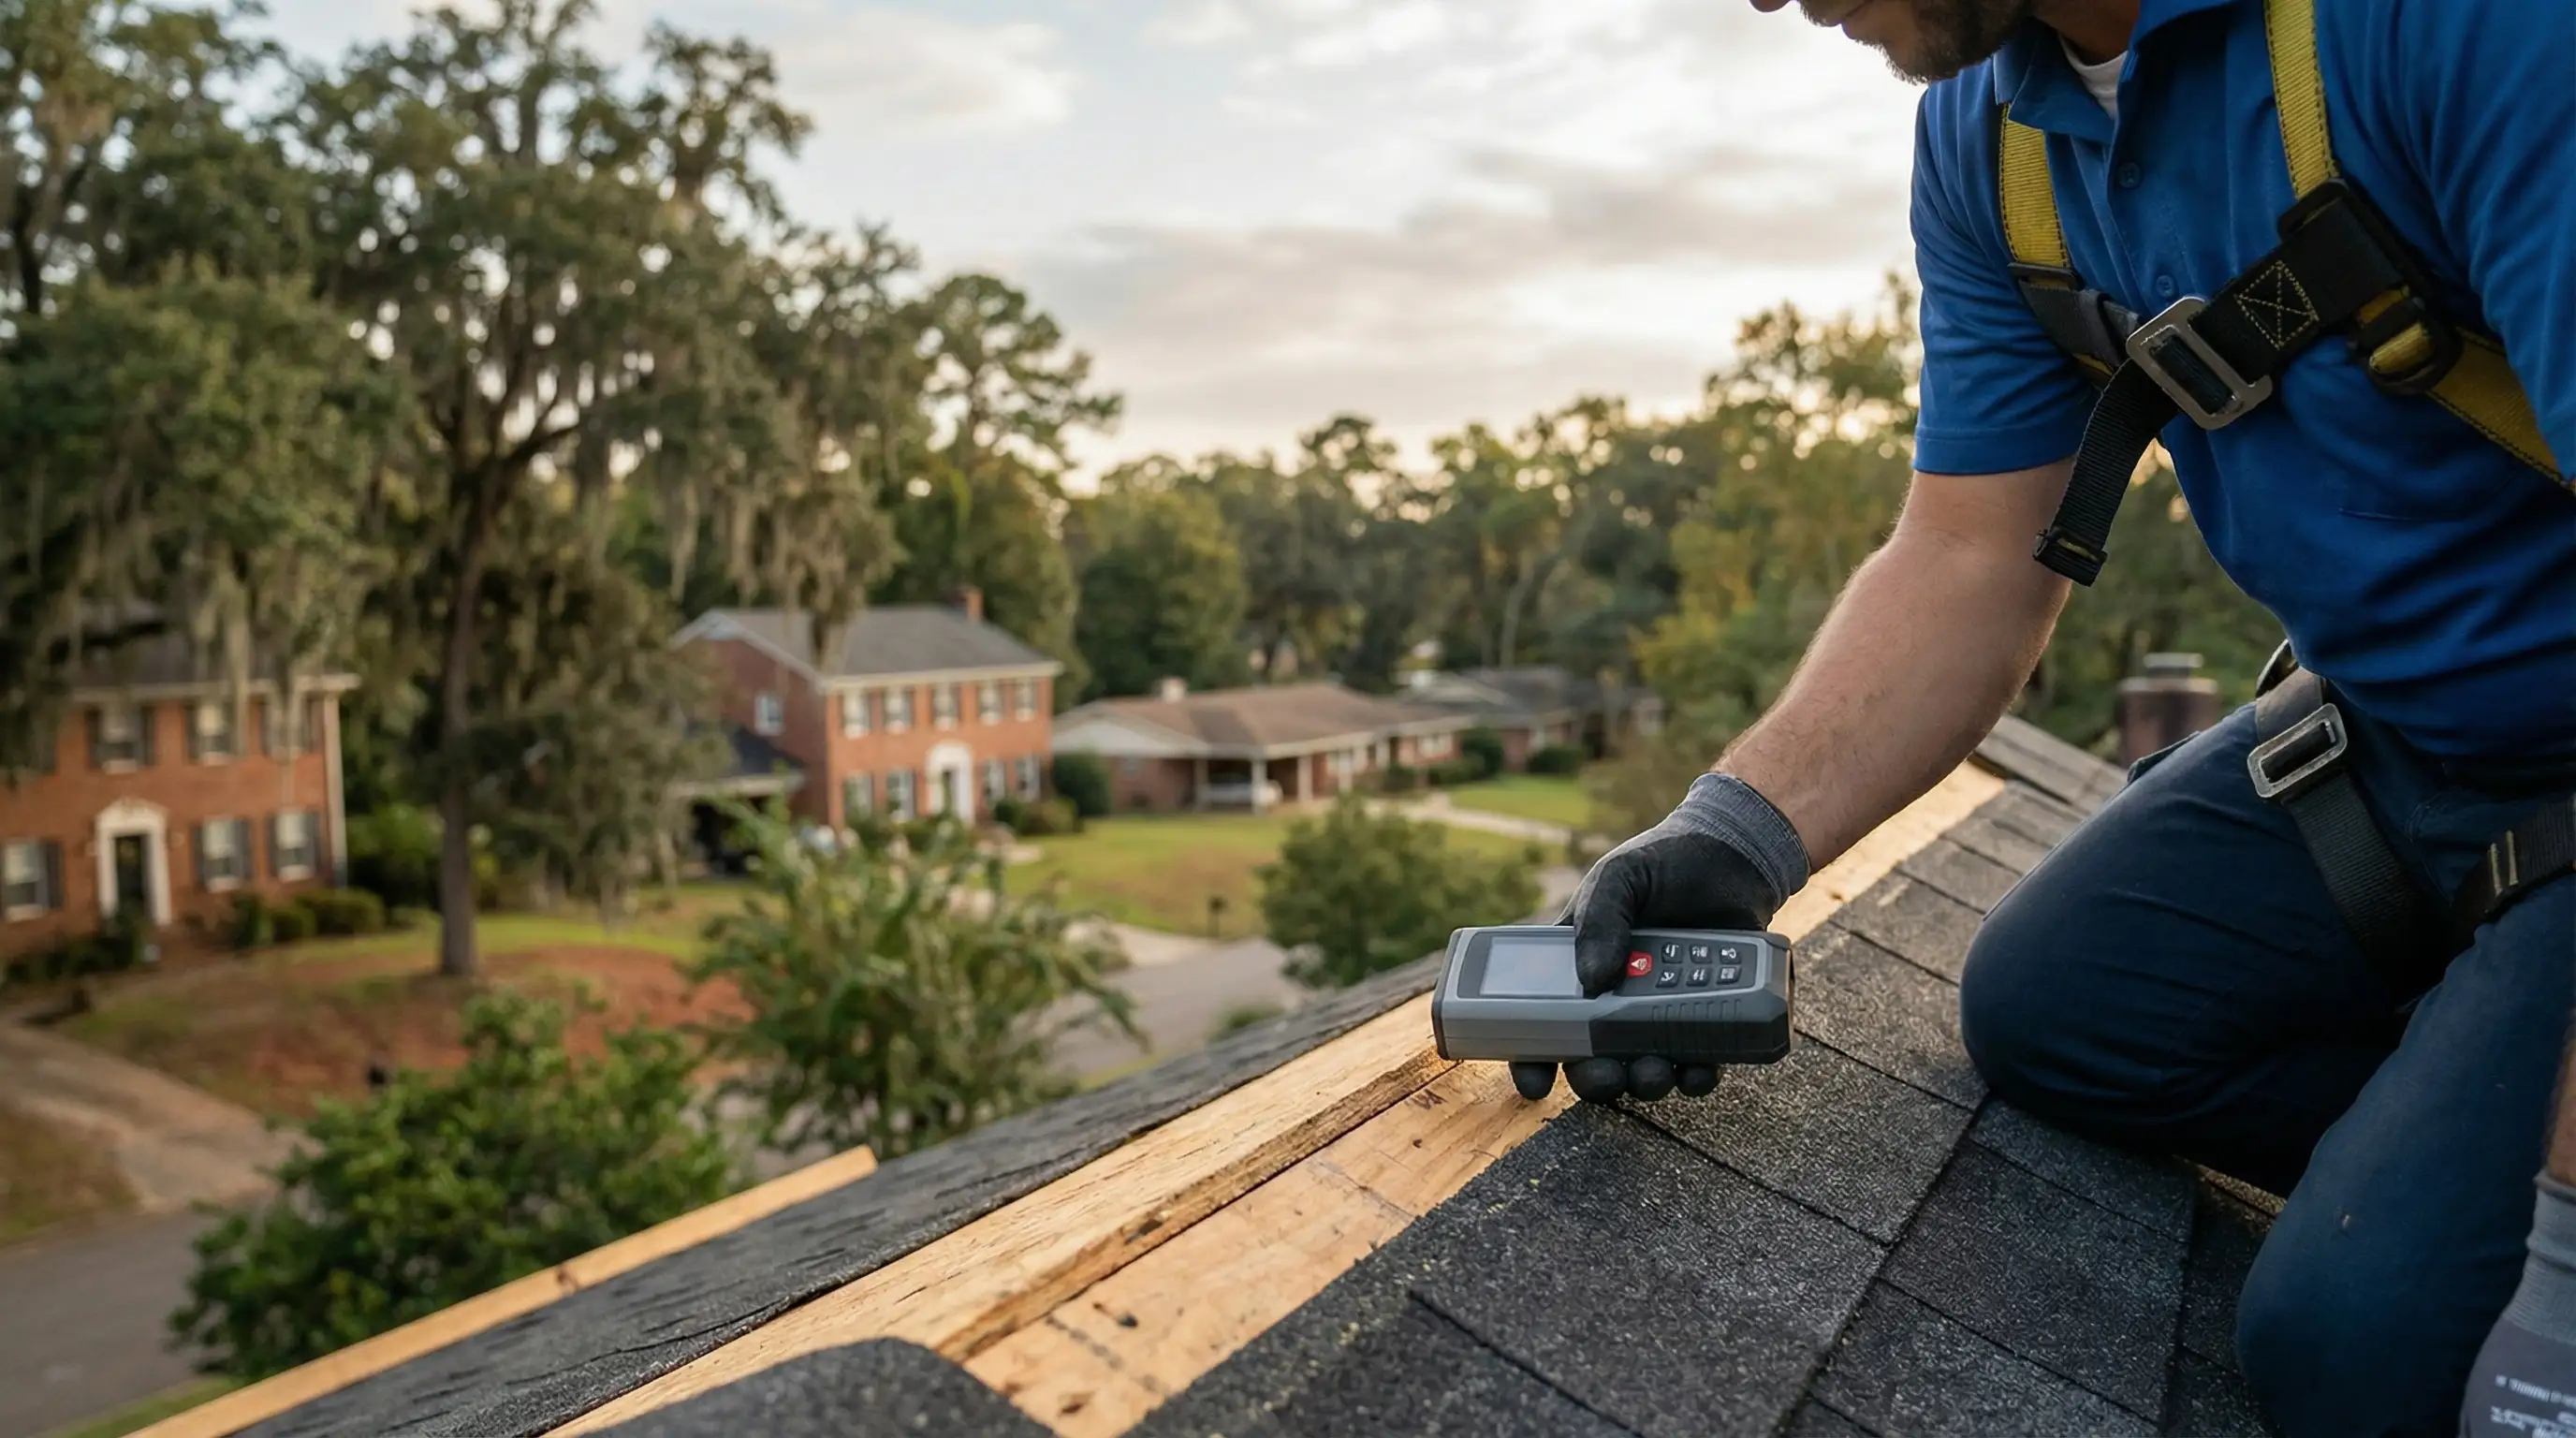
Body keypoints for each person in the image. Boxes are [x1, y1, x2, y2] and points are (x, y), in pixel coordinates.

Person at [1547, 1, 2576, 1432]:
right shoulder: (1997, 140)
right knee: (2061, 1016)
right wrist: (1737, 836)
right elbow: (1973, 552)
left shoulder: (2460, 28)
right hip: (2406, 739)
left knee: (2363, 1353)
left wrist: (2565, 1282)